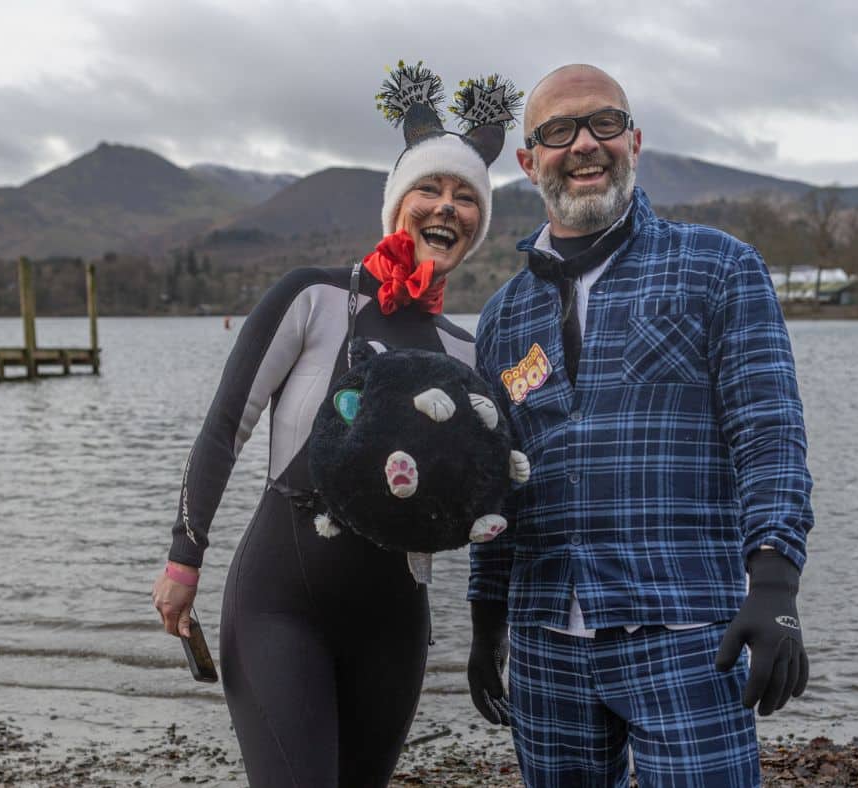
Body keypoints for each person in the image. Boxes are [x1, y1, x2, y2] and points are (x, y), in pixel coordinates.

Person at [151, 63, 520, 788]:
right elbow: (227, 425)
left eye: (466, 196)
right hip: (280, 605)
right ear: (397, 203)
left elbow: (486, 501)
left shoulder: (467, 350)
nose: (447, 207)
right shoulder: (314, 298)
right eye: (429, 188)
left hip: (395, 626)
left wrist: (489, 630)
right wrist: (182, 558)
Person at [466, 64, 814, 787]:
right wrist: (485, 619)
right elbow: (493, 486)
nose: (585, 145)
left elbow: (769, 433)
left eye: (605, 124)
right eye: (559, 131)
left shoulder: (717, 268)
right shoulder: (502, 316)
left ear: (636, 140)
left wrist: (774, 583)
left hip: (686, 629)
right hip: (544, 642)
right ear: (529, 162)